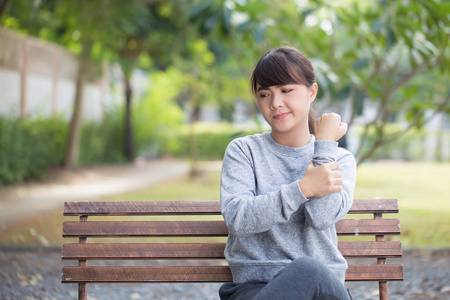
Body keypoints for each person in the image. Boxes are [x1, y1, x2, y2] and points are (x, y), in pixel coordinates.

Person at [219, 46, 357, 300]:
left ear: (312, 91)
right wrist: (303, 188)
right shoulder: (244, 151)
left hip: (322, 291)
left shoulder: (340, 159)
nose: (275, 103)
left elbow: (321, 217)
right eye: (264, 94)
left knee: (308, 269)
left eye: (286, 90)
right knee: (305, 269)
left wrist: (324, 149)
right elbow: (238, 217)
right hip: (255, 288)